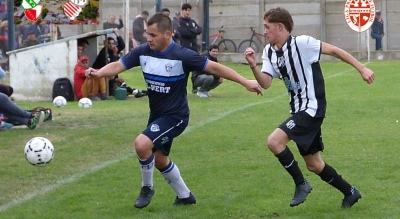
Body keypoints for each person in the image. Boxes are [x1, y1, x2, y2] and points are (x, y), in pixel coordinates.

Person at [85, 13, 262, 209]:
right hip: (157, 115)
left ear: (167, 34)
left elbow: (216, 68)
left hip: (176, 116)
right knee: (159, 159)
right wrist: (99, 73)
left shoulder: (182, 55)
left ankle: (147, 187)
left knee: (142, 145)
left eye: (153, 35)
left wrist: (246, 82)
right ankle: (185, 196)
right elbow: (119, 65)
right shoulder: (143, 52)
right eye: (147, 34)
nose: (148, 39)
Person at [244, 7, 375, 208]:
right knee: (314, 164)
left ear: (280, 27)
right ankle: (350, 192)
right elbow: (266, 83)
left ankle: (301, 184)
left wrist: (362, 68)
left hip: (312, 108)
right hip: (298, 110)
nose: (265, 31)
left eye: (267, 27)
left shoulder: (302, 43)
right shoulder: (269, 51)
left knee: (274, 142)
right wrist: (253, 65)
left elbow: (335, 50)